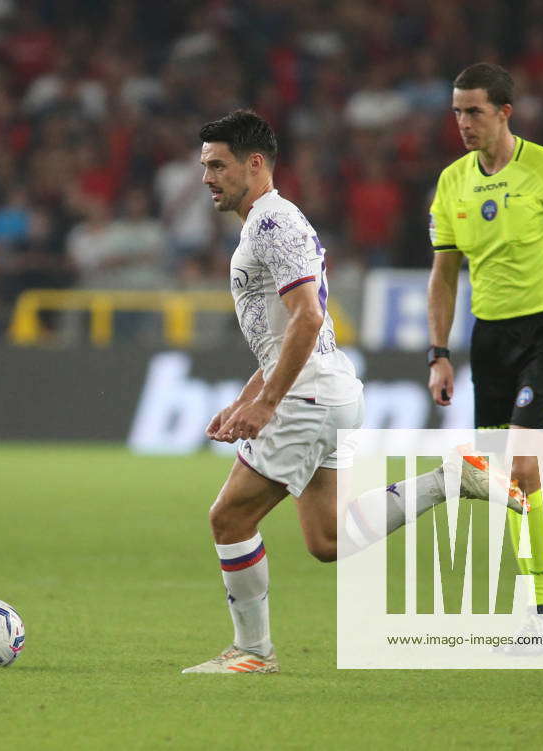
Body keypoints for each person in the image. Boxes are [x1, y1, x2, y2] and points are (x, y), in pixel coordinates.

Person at [426, 63, 543, 642]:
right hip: (491, 339)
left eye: (474, 111)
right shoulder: (452, 181)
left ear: (505, 112)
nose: (463, 123)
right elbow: (444, 275)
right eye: (457, 111)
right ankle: (537, 604)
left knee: (524, 465)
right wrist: (438, 352)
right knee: (506, 475)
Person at [181, 110, 366, 674]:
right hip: (330, 389)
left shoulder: (272, 225)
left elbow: (308, 318)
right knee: (328, 540)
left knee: (229, 519)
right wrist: (245, 399)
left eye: (218, 165)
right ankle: (452, 479)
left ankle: (254, 652)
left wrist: (266, 404)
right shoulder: (267, 223)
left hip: (305, 397)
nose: (207, 176)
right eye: (204, 166)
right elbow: (285, 336)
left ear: (254, 163)